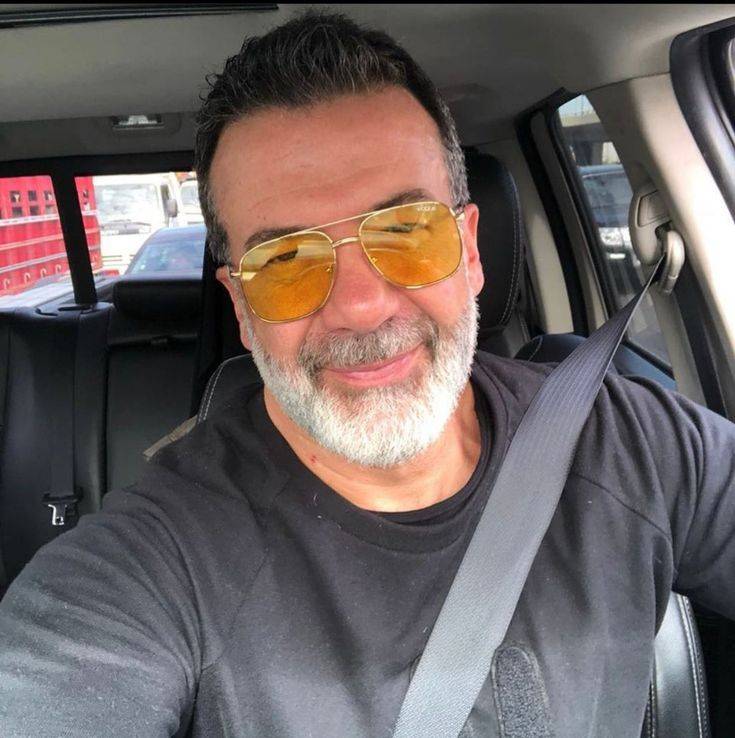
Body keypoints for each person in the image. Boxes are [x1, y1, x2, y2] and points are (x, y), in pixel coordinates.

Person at [1, 10, 734, 738]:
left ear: (469, 251)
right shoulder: (152, 566)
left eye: (406, 231)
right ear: (243, 309)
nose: (359, 306)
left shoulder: (631, 441)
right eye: (286, 260)